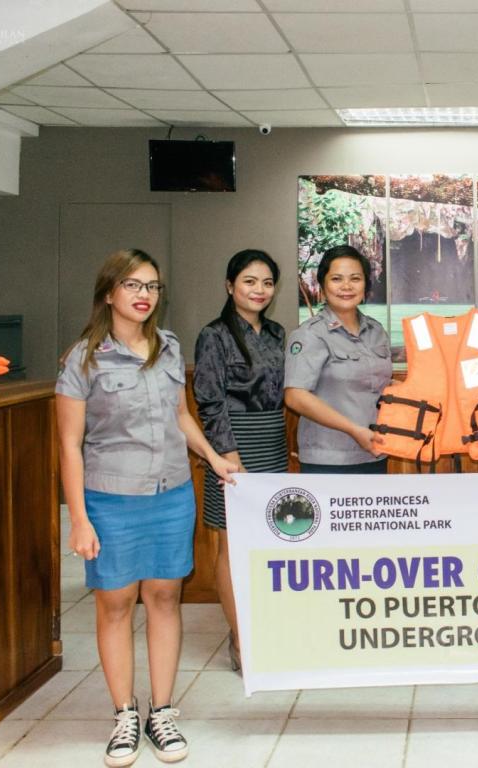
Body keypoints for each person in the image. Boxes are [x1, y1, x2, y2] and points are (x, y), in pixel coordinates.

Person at [55, 249, 237, 767]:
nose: (144, 295)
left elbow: (182, 416)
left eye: (153, 286)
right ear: (109, 292)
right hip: (110, 499)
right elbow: (70, 445)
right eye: (133, 285)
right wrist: (80, 519)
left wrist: (213, 458)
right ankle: (123, 714)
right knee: (115, 605)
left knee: (163, 599)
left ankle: (161, 710)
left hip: (172, 495)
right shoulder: (83, 359)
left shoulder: (169, 348)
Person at [193, 249, 286, 673]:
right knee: (232, 544)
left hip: (272, 442)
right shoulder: (213, 335)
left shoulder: (277, 333)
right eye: (250, 281)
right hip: (233, 448)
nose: (259, 290)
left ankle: (266, 628)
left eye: (267, 283)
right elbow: (209, 402)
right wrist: (229, 458)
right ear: (230, 286)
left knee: (267, 541)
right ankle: (239, 639)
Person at [284, 244, 392, 473]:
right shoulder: (310, 334)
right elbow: (295, 396)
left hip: (376, 452)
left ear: (366, 285)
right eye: (336, 279)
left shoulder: (377, 331)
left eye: (355, 278)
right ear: (322, 285)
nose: (346, 286)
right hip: (329, 460)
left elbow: (380, 386)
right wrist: (354, 430)